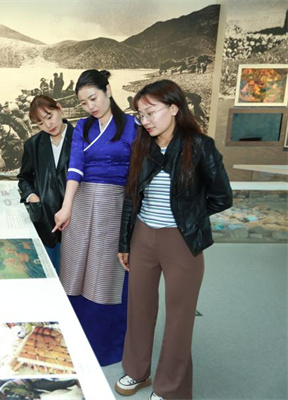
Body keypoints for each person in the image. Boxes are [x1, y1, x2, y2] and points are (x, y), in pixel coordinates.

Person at [114, 80, 232, 400]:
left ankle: (169, 388)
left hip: (181, 241)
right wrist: (124, 243)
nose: (145, 121)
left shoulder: (199, 146)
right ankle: (137, 371)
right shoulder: (143, 146)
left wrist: (189, 216)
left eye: (151, 112)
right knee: (139, 309)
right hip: (142, 237)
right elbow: (131, 198)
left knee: (179, 317)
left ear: (174, 108)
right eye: (140, 115)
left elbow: (222, 196)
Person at [52, 69, 137, 366]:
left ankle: (104, 346)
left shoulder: (133, 126)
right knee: (74, 268)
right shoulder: (83, 127)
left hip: (114, 204)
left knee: (105, 273)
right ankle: (73, 341)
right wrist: (66, 206)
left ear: (107, 90)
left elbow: (137, 173)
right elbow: (75, 167)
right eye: (84, 103)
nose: (90, 106)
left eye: (94, 98)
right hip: (82, 201)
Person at [18, 95, 73, 272]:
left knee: (73, 273)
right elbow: (24, 178)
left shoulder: (81, 139)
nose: (48, 125)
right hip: (45, 218)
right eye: (40, 123)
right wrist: (32, 197)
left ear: (59, 108)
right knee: (48, 271)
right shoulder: (33, 144)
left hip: (75, 217)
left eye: (49, 116)